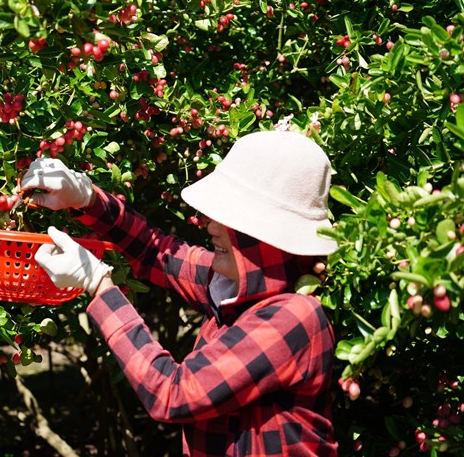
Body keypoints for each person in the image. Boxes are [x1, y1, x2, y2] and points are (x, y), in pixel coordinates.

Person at [21, 130, 339, 457]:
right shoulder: (239, 287)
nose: (210, 225)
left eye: (230, 218)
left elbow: (172, 394)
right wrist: (86, 199)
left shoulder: (294, 317)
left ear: (264, 236)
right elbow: (155, 252)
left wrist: (99, 284)